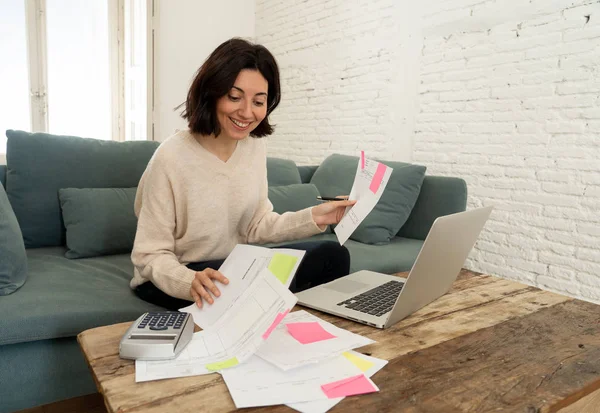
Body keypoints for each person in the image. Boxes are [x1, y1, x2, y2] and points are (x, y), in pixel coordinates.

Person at [130, 38, 355, 311]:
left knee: (333, 255)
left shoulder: (254, 147)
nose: (247, 112)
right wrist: (188, 280)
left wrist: (317, 217)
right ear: (211, 93)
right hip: (178, 275)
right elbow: (149, 255)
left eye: (258, 101)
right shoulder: (170, 157)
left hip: (233, 267)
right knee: (249, 286)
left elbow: (255, 226)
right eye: (234, 97)